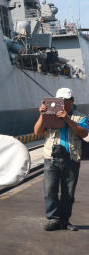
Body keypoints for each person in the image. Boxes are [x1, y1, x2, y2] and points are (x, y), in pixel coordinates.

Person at [34, 88, 88, 231]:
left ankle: (64, 220)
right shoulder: (49, 115)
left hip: (71, 158)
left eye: (66, 100)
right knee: (50, 191)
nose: (63, 103)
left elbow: (83, 133)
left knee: (68, 193)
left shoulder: (80, 117)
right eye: (60, 100)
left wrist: (67, 119)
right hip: (51, 158)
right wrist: (42, 115)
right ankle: (53, 219)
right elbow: (37, 131)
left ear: (72, 101)